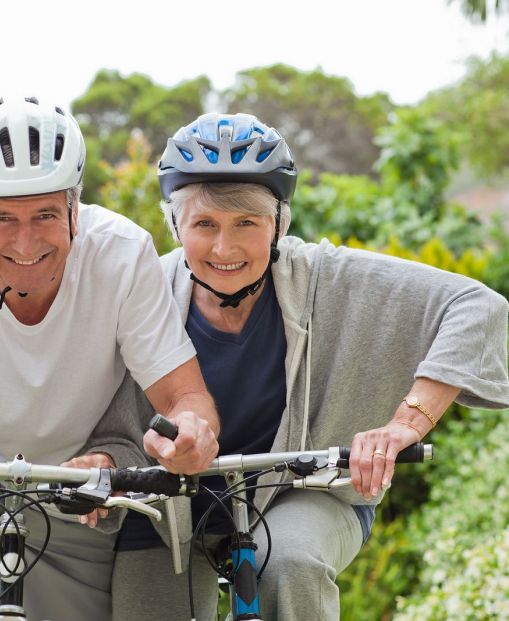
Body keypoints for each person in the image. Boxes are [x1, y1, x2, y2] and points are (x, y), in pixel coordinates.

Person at [96, 112, 509, 621]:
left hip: (307, 492)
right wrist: (107, 460)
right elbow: (106, 422)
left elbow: (476, 305)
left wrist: (406, 423)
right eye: (204, 224)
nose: (225, 248)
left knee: (290, 561)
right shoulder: (144, 293)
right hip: (173, 505)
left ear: (279, 225)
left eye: (246, 223)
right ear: (174, 225)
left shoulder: (324, 277)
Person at [0, 96, 220, 621]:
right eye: (1, 217)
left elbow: (184, 397)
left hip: (72, 477)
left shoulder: (122, 254)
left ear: (75, 207)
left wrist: (193, 435)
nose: (26, 242)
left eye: (45, 213)